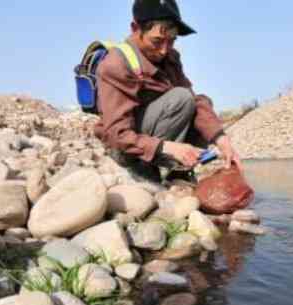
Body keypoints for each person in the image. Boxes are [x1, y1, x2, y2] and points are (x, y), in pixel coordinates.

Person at [94, 0, 242, 183]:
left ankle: (179, 174)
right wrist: (169, 147)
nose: (164, 50)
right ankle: (143, 169)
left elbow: (195, 102)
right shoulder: (115, 65)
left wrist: (221, 139)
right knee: (182, 98)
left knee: (201, 103)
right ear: (135, 28)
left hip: (156, 137)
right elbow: (117, 134)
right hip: (126, 149)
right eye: (157, 41)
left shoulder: (171, 57)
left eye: (171, 41)